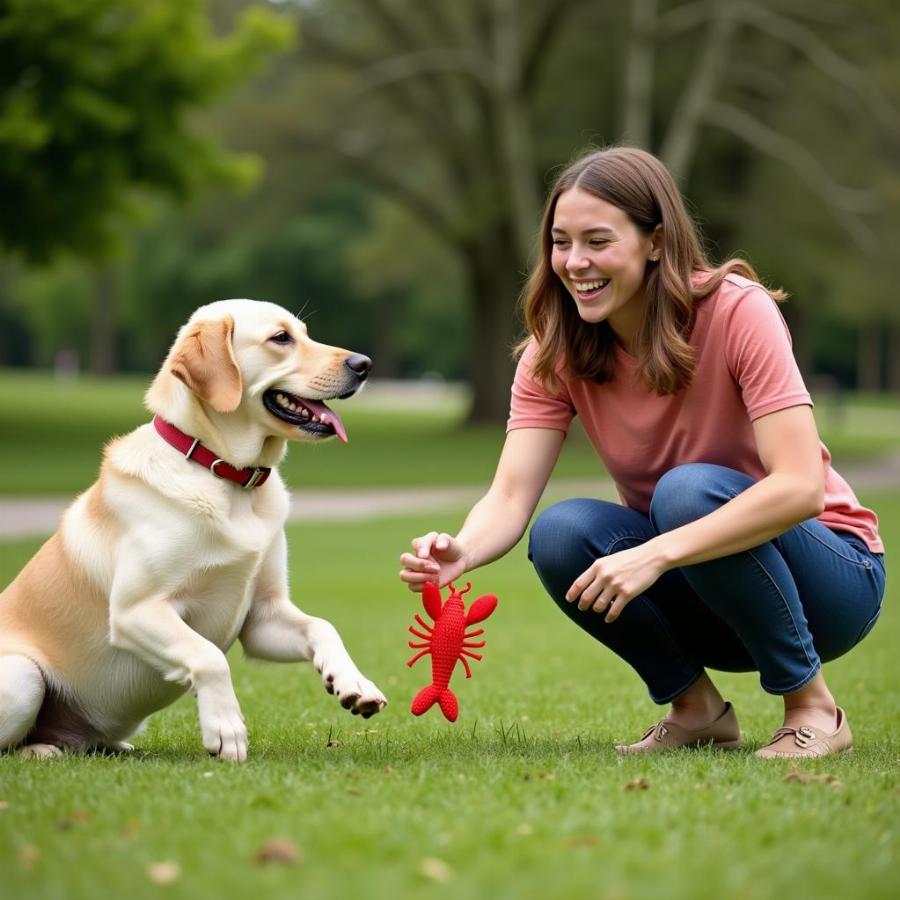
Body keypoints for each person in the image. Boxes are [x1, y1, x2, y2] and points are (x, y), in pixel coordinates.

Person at [399, 146, 885, 759]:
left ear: (655, 241)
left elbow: (799, 487)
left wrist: (655, 553)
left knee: (686, 493)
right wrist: (461, 552)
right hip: (704, 583)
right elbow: (511, 494)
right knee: (561, 533)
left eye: (598, 241)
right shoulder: (555, 353)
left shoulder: (737, 311)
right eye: (560, 242)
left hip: (831, 581)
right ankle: (696, 710)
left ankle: (813, 706)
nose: (575, 263)